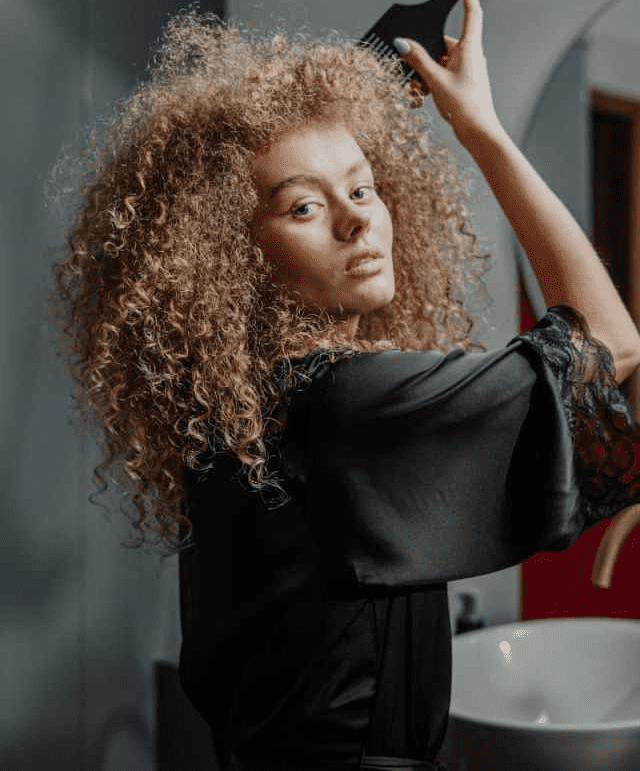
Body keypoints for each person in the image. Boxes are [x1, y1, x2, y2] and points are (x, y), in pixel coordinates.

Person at [48, 1, 640, 769]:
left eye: (362, 190)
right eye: (304, 205)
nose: (356, 222)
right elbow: (612, 341)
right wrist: (481, 130)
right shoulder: (341, 407)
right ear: (235, 255)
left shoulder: (246, 417)